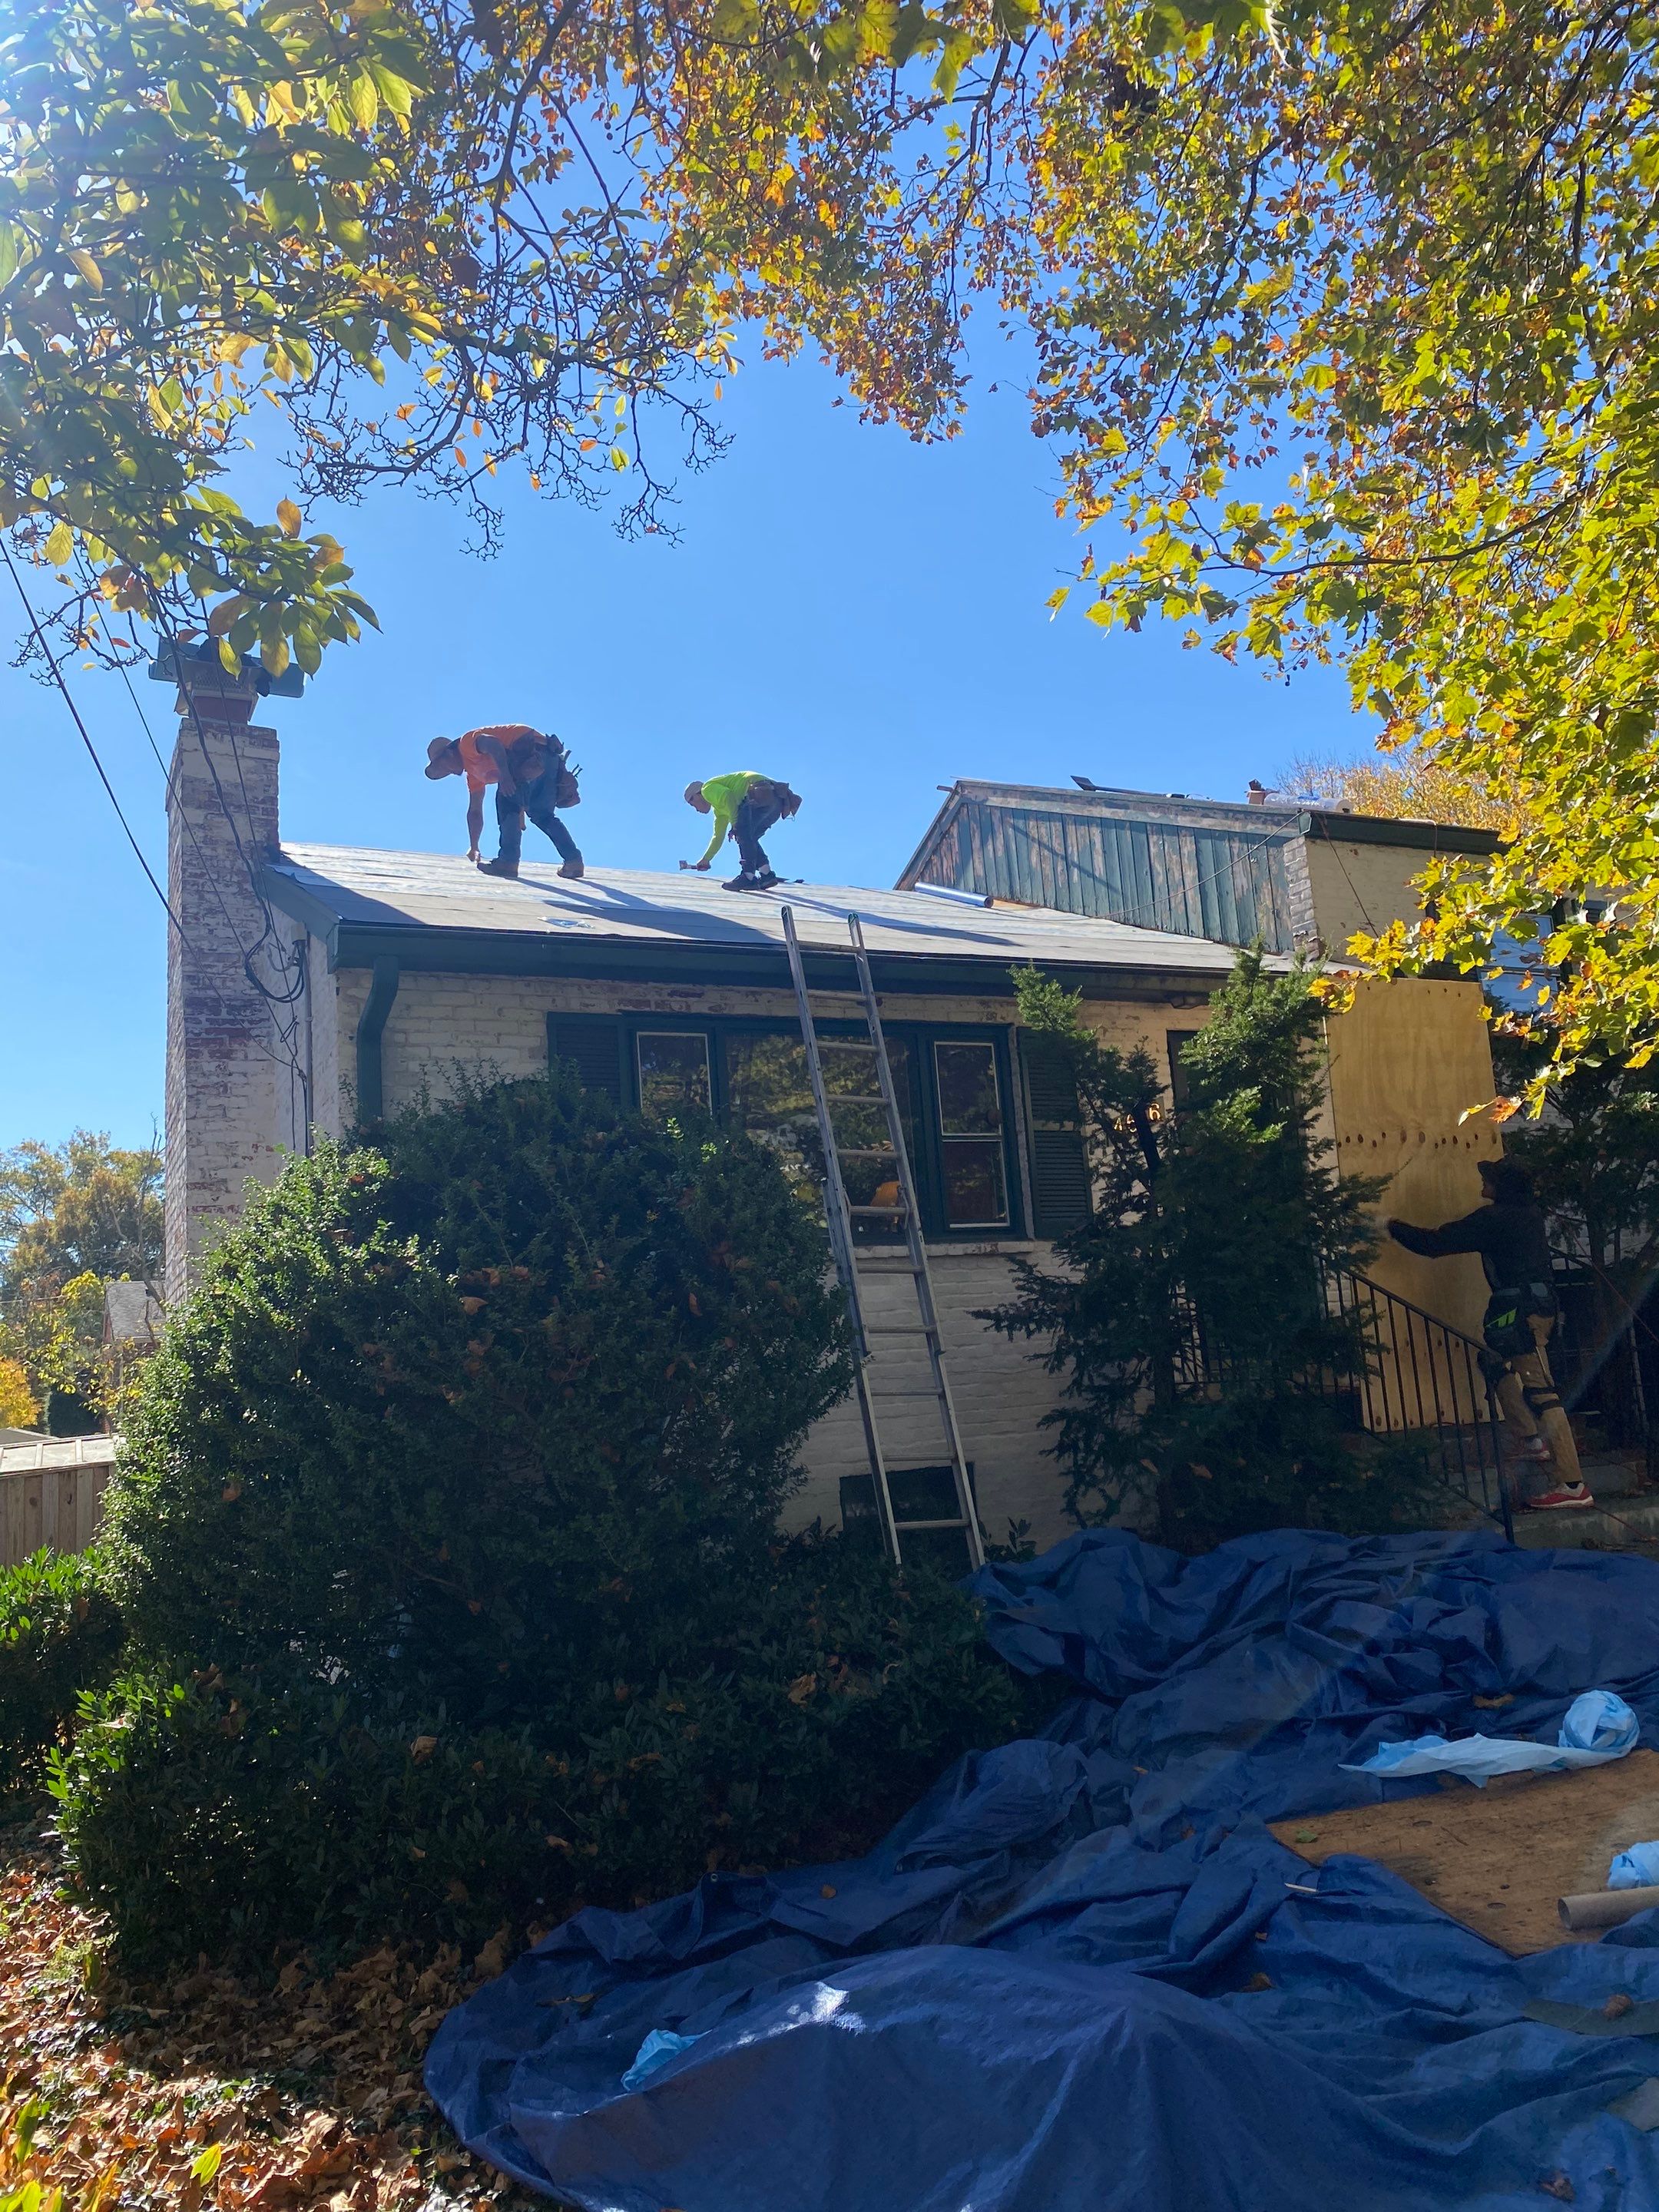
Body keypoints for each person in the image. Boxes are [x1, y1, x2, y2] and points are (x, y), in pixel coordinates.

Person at [1387, 1157, 1591, 1509]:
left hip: (1524, 1312)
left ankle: (1572, 1484)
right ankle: (1532, 1440)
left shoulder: (1496, 1220)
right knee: (1493, 1362)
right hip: (1525, 1308)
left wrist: (1390, 1226)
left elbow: (1435, 1244)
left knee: (1543, 1393)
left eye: (1490, 1179)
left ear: (1503, 1188)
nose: (1484, 1182)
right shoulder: (1526, 1214)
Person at [425, 724, 583, 881]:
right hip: (547, 756)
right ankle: (573, 861)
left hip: (527, 749)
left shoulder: (466, 744)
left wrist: (506, 776)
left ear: (449, 753)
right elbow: (475, 811)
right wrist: (474, 846)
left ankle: (508, 862)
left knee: (506, 802)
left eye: (443, 766)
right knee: (542, 815)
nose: (449, 772)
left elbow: (493, 744)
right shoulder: (473, 775)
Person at [680, 772, 800, 892]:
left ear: (697, 795)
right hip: (778, 800)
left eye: (693, 804)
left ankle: (748, 877)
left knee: (742, 832)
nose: (696, 809)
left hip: (758, 793)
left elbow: (728, 795)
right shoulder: (720, 811)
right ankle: (766, 875)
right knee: (749, 837)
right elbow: (718, 836)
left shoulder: (707, 789)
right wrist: (706, 859)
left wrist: (735, 824)